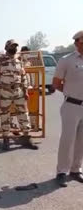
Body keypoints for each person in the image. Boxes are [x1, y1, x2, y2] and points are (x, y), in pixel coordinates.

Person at [0, 40, 38, 150]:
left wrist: (25, 90)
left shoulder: (19, 61)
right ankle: (6, 139)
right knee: (5, 116)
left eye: (16, 46)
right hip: (5, 92)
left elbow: (23, 76)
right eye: (12, 46)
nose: (14, 48)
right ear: (6, 47)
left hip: (19, 91)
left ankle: (26, 138)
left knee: (23, 114)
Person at [53, 30, 83, 187]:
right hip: (71, 105)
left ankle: (76, 169)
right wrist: (70, 92)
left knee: (81, 141)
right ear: (77, 42)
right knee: (67, 140)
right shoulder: (66, 60)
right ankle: (61, 171)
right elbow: (56, 83)